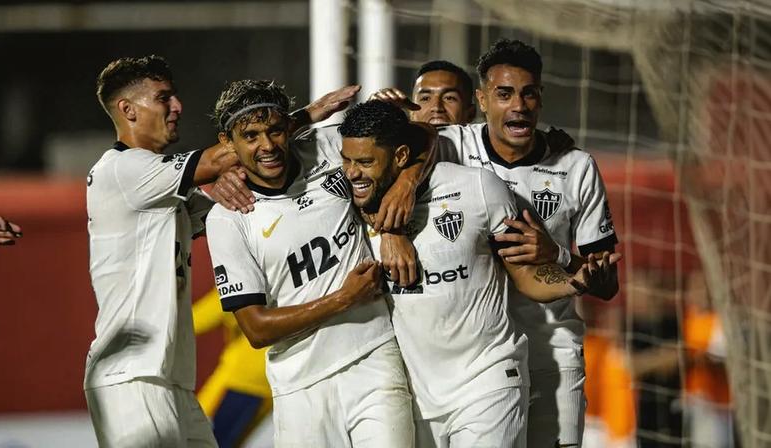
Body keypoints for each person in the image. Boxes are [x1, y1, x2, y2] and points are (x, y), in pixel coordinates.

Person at [373, 38, 620, 447]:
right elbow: (375, 158)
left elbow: (607, 283)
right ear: (482, 101)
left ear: (541, 98)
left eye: (528, 93)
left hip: (550, 355)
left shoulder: (576, 168)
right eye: (504, 94)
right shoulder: (451, 145)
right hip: (471, 359)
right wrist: (395, 216)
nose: (518, 106)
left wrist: (556, 254)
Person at [205, 80, 434, 447]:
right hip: (298, 385)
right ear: (227, 144)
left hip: (373, 358)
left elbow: (421, 136)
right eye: (250, 136)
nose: (267, 146)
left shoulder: (328, 146)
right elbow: (256, 329)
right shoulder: (227, 218)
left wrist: (402, 192)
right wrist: (343, 299)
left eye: (275, 131)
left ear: (290, 128)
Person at [84, 55, 254, 447]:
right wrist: (298, 119)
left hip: (170, 381)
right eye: (164, 98)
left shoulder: (161, 186)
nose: (177, 107)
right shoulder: (123, 171)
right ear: (128, 110)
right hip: (132, 379)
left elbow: (230, 204)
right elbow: (216, 159)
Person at [192, 289, 272, 448]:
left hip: (241, 381)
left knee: (201, 439)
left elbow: (193, 321)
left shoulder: (242, 278)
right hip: (271, 384)